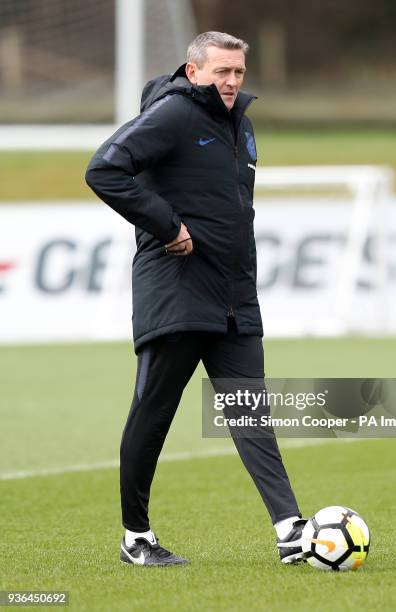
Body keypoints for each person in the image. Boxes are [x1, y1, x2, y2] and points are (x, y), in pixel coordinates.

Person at [85, 31, 305, 566]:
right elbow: (103, 169)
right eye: (220, 72)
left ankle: (290, 531)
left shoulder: (242, 128)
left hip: (233, 298)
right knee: (153, 413)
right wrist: (167, 226)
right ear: (193, 70)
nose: (230, 83)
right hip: (177, 292)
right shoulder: (174, 115)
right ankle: (136, 537)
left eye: (238, 73)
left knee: (251, 413)